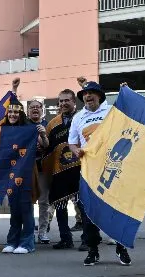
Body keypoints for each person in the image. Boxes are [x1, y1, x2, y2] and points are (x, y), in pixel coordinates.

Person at [69, 81, 132, 266]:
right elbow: (72, 142)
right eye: (85, 94)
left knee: (117, 210)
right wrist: (76, 151)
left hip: (113, 169)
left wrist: (126, 93)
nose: (88, 96)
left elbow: (130, 122)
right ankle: (93, 250)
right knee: (89, 212)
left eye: (92, 93)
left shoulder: (112, 112)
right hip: (89, 172)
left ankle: (121, 247)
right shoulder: (78, 117)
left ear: (100, 96)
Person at [0, 100, 38, 254]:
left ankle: (28, 243)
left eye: (16, 112)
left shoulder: (29, 128)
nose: (13, 115)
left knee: (26, 208)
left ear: (21, 114)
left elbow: (44, 144)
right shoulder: (2, 129)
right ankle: (12, 241)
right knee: (14, 208)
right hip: (9, 173)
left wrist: (41, 133)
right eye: (10, 112)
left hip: (27, 172)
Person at [47, 89, 81, 250]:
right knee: (60, 206)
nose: (63, 103)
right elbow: (47, 148)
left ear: (74, 102)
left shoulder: (82, 118)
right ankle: (65, 238)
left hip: (81, 169)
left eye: (67, 100)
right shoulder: (52, 123)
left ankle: (89, 239)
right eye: (60, 101)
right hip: (60, 171)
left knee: (83, 205)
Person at [26, 99, 52, 243]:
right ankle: (29, 232)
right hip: (27, 168)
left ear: (42, 110)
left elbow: (49, 146)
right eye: (32, 107)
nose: (35, 109)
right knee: (28, 201)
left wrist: (43, 136)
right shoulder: (22, 125)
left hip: (42, 168)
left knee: (43, 201)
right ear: (28, 110)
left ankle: (42, 232)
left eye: (38, 107)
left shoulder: (47, 125)